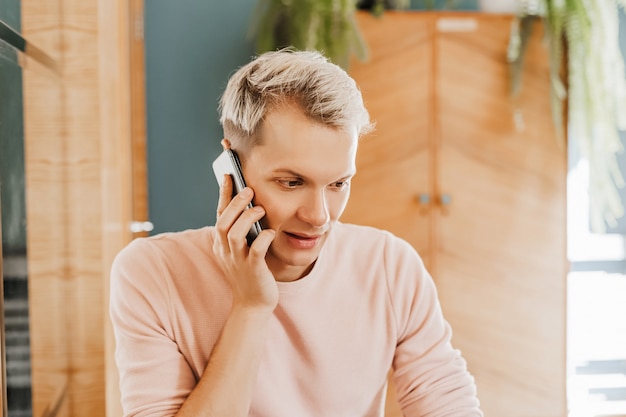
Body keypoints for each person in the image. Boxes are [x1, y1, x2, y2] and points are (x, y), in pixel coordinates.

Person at [110, 49, 483, 417]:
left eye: (339, 183)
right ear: (231, 170)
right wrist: (250, 306)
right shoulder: (152, 275)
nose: (319, 216)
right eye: (291, 182)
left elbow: (447, 401)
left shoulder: (388, 266)